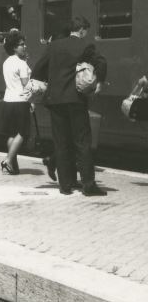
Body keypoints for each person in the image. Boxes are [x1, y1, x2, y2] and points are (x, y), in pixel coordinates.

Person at [31, 16, 107, 196]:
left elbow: (38, 69)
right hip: (76, 100)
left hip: (55, 100)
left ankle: (65, 185)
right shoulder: (85, 46)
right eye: (85, 31)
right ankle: (88, 185)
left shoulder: (54, 46)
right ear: (81, 30)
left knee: (61, 142)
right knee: (82, 142)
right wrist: (100, 82)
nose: (85, 34)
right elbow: (101, 62)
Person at [0, 31, 32, 175]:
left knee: (12, 134)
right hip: (21, 101)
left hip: (8, 100)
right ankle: (8, 160)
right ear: (14, 47)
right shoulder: (21, 63)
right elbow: (26, 85)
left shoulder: (6, 62)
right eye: (21, 45)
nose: (24, 46)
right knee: (23, 133)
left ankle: (11, 165)